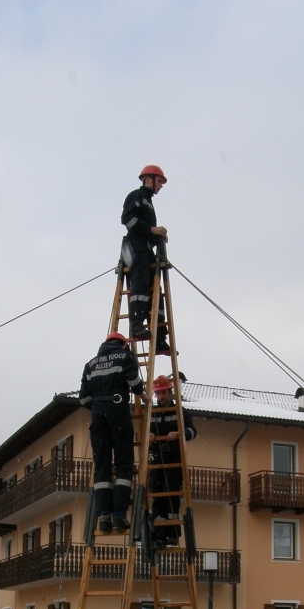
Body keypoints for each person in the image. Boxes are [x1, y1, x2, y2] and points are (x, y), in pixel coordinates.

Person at [79, 332, 144, 534]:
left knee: (102, 467)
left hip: (98, 418)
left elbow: (83, 399)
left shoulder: (90, 364)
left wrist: (99, 406)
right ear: (122, 344)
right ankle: (118, 516)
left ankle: (104, 517)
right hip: (119, 414)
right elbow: (135, 385)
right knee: (124, 464)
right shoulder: (125, 357)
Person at [121, 165, 171, 353]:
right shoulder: (136, 196)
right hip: (135, 247)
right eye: (159, 181)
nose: (161, 186)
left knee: (154, 290)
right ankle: (137, 324)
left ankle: (159, 336)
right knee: (140, 284)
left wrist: (157, 236)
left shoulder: (148, 201)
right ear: (148, 180)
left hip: (145, 247)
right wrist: (151, 230)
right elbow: (128, 220)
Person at [149, 375, 197, 551]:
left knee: (172, 496)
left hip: (174, 459)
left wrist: (179, 433)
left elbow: (192, 432)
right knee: (157, 496)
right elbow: (141, 434)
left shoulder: (180, 412)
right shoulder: (151, 413)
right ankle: (159, 536)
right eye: (158, 394)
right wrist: (149, 436)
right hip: (156, 458)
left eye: (164, 393)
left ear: (170, 392)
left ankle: (172, 534)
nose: (161, 397)